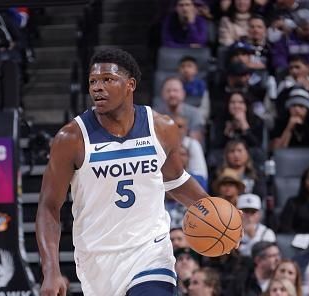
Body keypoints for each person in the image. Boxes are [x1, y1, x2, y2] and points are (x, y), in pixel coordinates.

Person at [35, 48, 217, 296]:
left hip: (150, 251)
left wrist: (213, 211)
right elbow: (49, 206)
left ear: (130, 84)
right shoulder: (71, 139)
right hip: (98, 259)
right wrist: (50, 270)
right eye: (93, 81)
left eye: (107, 80)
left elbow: (175, 180)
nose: (98, 87)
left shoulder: (161, 128)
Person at [156, 76, 206, 143]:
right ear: (162, 94)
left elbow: (195, 141)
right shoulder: (155, 115)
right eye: (168, 91)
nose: (172, 94)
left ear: (183, 93)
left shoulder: (195, 114)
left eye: (175, 90)